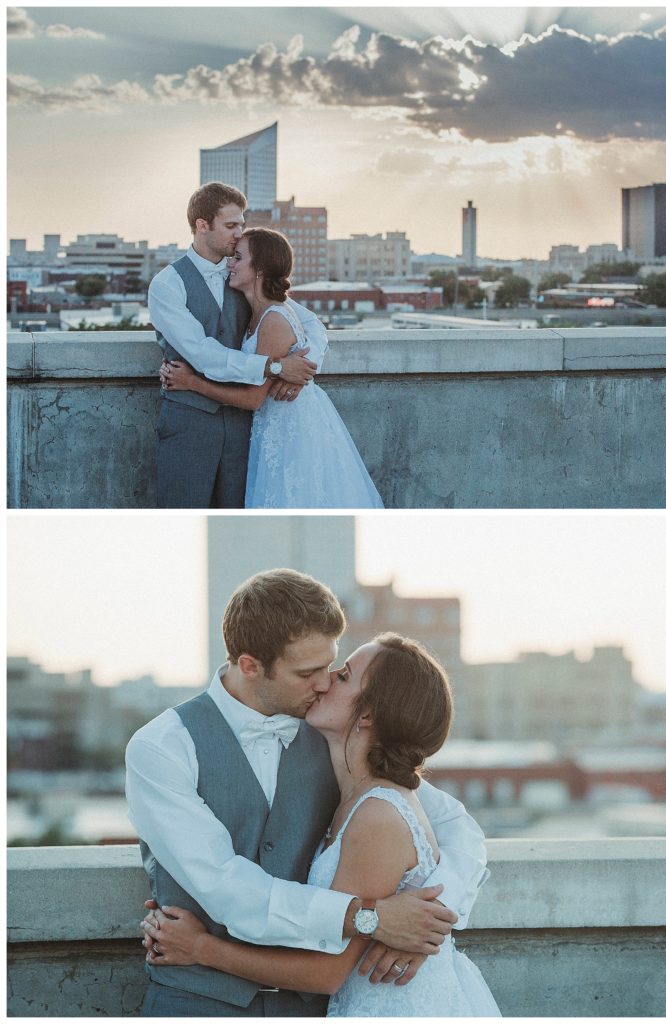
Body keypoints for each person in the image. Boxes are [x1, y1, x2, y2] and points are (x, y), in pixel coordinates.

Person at [126, 569, 489, 1017]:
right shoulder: (162, 747)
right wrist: (368, 918)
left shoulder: (335, 735)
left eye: (333, 668)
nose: (323, 684)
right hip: (195, 1002)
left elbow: (452, 824)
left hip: (312, 1006)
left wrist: (430, 925)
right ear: (250, 665)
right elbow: (223, 885)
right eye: (308, 672)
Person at [160, 228, 384, 509]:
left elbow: (253, 399)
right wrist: (280, 368)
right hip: (271, 431)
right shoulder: (255, 308)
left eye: (239, 258)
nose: (231, 263)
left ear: (260, 270)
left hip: (290, 433)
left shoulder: (274, 320)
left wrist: (192, 383)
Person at [148, 182, 326, 509]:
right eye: (231, 226)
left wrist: (302, 370)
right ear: (202, 226)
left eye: (241, 224)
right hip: (189, 423)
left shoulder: (244, 276)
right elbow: (202, 354)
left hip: (245, 425)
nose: (239, 233)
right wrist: (274, 367)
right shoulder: (167, 284)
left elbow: (310, 324)